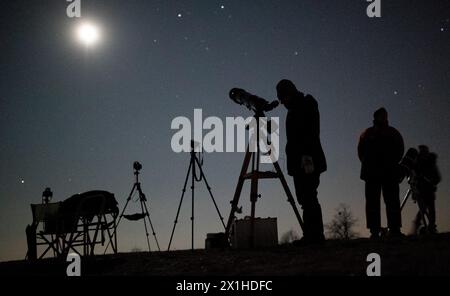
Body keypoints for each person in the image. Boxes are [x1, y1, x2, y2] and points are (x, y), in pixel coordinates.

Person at [276, 79, 327, 244]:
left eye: (283, 98)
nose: (282, 103)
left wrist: (306, 158)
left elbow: (310, 133)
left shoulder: (306, 104)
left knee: (309, 195)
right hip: (299, 160)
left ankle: (316, 236)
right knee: (305, 198)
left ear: (289, 94)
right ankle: (311, 235)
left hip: (307, 159)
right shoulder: (296, 108)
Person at [358, 107, 404, 239]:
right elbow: (361, 151)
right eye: (381, 116)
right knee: (373, 202)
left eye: (385, 116)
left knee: (392, 200)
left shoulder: (392, 132)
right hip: (372, 172)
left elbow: (400, 149)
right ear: (376, 117)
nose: (384, 118)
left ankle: (394, 229)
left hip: (388, 171)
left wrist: (392, 163)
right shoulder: (367, 133)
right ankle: (374, 230)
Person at [412, 145, 441, 234]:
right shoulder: (421, 162)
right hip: (422, 188)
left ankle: (429, 226)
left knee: (428, 208)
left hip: (426, 189)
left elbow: (437, 177)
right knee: (424, 208)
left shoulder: (426, 162)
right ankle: (427, 225)